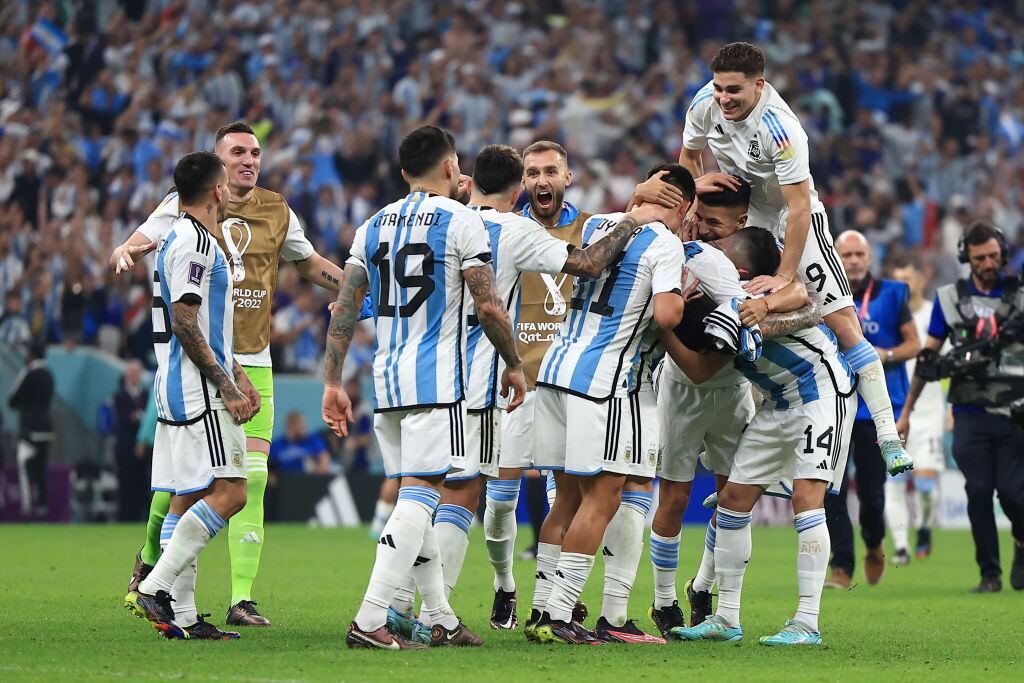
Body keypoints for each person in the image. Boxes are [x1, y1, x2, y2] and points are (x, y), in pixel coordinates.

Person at [386, 143, 660, 640]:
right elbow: (588, 266)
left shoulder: (448, 222)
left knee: (464, 491)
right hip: (490, 381)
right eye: (532, 172)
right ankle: (455, 601)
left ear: (567, 176)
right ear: (519, 187)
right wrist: (637, 213)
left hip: (529, 380)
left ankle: (446, 608)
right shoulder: (520, 231)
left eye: (550, 171)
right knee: (479, 498)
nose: (541, 180)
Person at [113, 121, 345, 627]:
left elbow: (307, 263)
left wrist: (351, 290)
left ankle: (238, 599)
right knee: (191, 484)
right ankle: (152, 568)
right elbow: (143, 242)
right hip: (203, 365)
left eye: (256, 152)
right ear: (217, 167)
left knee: (251, 479)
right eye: (238, 152)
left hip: (250, 362)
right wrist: (124, 249)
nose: (249, 160)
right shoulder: (185, 209)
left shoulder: (277, 209)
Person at [322, 125, 526, 649]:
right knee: (421, 498)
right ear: (452, 167)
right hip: (438, 383)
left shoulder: (371, 225)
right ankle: (370, 618)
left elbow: (345, 306)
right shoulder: (462, 222)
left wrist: (332, 381)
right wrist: (513, 363)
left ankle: (440, 614)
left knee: (418, 498)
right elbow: (487, 304)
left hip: (386, 382)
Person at [678, 41, 912, 477]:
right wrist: (697, 194)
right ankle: (737, 466)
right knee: (728, 319)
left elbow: (799, 205)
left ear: (759, 85)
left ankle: (887, 434)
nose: (724, 99)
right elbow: (689, 155)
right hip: (743, 221)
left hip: (790, 217)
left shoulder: (781, 128)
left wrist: (786, 275)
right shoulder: (704, 104)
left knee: (843, 324)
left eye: (734, 91)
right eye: (718, 89)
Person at [667, 227, 854, 647]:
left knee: (807, 499)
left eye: (721, 250)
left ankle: (807, 621)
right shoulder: (724, 299)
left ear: (741, 269)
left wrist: (764, 307)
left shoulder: (750, 295)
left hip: (822, 392)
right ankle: (726, 617)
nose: (712, 252)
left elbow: (803, 294)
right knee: (733, 499)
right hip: (777, 402)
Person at [528, 164, 689, 645]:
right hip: (604, 383)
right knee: (603, 497)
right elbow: (666, 312)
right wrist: (684, 293)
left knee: (568, 498)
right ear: (683, 206)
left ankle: (540, 612)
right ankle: (561, 617)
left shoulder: (601, 225)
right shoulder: (665, 243)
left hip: (555, 372)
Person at [124, 150, 257, 641]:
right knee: (231, 492)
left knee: (187, 498)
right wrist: (225, 384)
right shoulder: (198, 242)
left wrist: (236, 371)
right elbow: (184, 322)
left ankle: (181, 616)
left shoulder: (175, 237)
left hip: (178, 385)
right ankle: (156, 587)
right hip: (198, 392)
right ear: (217, 189)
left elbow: (201, 325)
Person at [898, 222, 1024, 593]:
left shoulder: (1021, 296)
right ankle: (990, 575)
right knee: (979, 491)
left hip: (1017, 412)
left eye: (994, 255)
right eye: (980, 257)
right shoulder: (949, 298)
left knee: (1015, 495)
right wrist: (906, 412)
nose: (988, 263)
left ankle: (1020, 540)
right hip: (969, 413)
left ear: (1002, 252)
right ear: (965, 257)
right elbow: (927, 358)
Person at [824, 231, 920, 588]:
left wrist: (887, 355)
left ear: (869, 257)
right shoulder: (823, 292)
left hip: (877, 410)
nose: (852, 260)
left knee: (872, 494)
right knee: (830, 488)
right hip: (835, 402)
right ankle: (842, 566)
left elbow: (915, 344)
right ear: (835, 255)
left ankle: (875, 541)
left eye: (858, 254)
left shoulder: (893, 293)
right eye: (845, 254)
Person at [888, 257, 947, 561]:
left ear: (921, 280)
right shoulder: (891, 320)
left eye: (908, 278)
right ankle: (900, 546)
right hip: (896, 411)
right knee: (895, 481)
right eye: (898, 279)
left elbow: (949, 364)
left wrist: (949, 406)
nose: (903, 284)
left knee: (924, 484)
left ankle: (924, 526)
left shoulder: (933, 317)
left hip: (930, 412)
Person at [8, 342, 54, 520]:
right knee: (41, 468)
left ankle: (27, 508)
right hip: (46, 429)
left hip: (30, 429)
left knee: (25, 467)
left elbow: (12, 400)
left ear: (32, 355)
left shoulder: (27, 373)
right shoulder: (49, 375)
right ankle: (42, 507)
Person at [114, 360, 150, 521]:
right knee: (126, 484)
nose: (134, 376)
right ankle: (125, 517)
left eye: (137, 373)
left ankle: (142, 517)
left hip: (145, 449)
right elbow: (125, 418)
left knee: (142, 483)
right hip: (126, 448)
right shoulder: (119, 396)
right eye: (131, 373)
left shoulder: (146, 395)